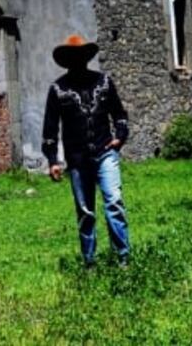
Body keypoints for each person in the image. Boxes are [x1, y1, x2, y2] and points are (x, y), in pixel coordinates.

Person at [42, 34, 131, 267]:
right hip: (77, 159)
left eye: (81, 56)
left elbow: (120, 115)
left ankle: (123, 259)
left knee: (114, 202)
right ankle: (89, 263)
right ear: (67, 60)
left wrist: (119, 138)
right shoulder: (58, 89)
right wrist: (53, 160)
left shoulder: (104, 82)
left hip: (105, 153)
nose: (77, 60)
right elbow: (50, 128)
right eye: (73, 57)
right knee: (85, 212)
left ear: (86, 57)